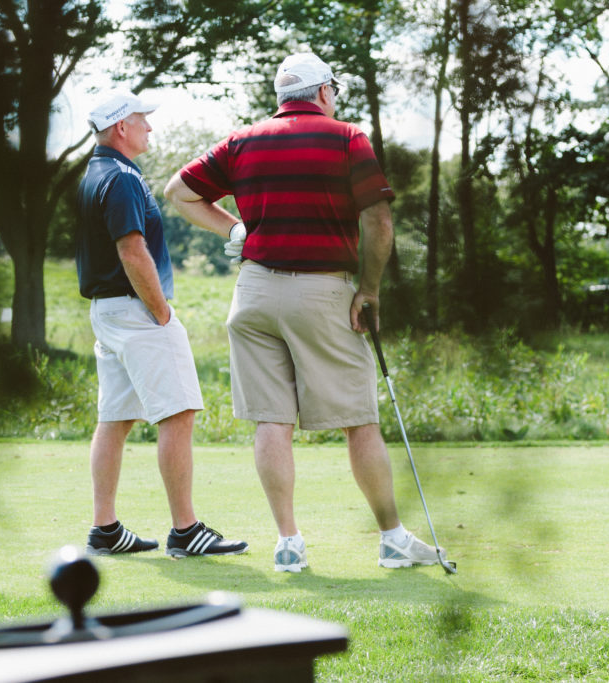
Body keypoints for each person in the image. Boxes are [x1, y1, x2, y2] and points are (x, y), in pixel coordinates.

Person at [164, 53, 447, 572]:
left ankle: (288, 543)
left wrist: (233, 230)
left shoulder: (242, 140)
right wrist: (370, 289)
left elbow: (177, 193)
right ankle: (392, 539)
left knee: (272, 420)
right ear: (322, 93)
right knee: (359, 420)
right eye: (333, 89)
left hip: (253, 294)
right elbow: (379, 220)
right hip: (321, 291)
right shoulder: (347, 137)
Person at [75, 88, 247, 559]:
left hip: (107, 314)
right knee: (178, 413)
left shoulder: (95, 173)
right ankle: (186, 531)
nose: (149, 127)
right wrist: (162, 313)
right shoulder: (123, 178)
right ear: (120, 128)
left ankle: (105, 529)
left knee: (115, 418)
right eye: (142, 119)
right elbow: (132, 251)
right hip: (137, 311)